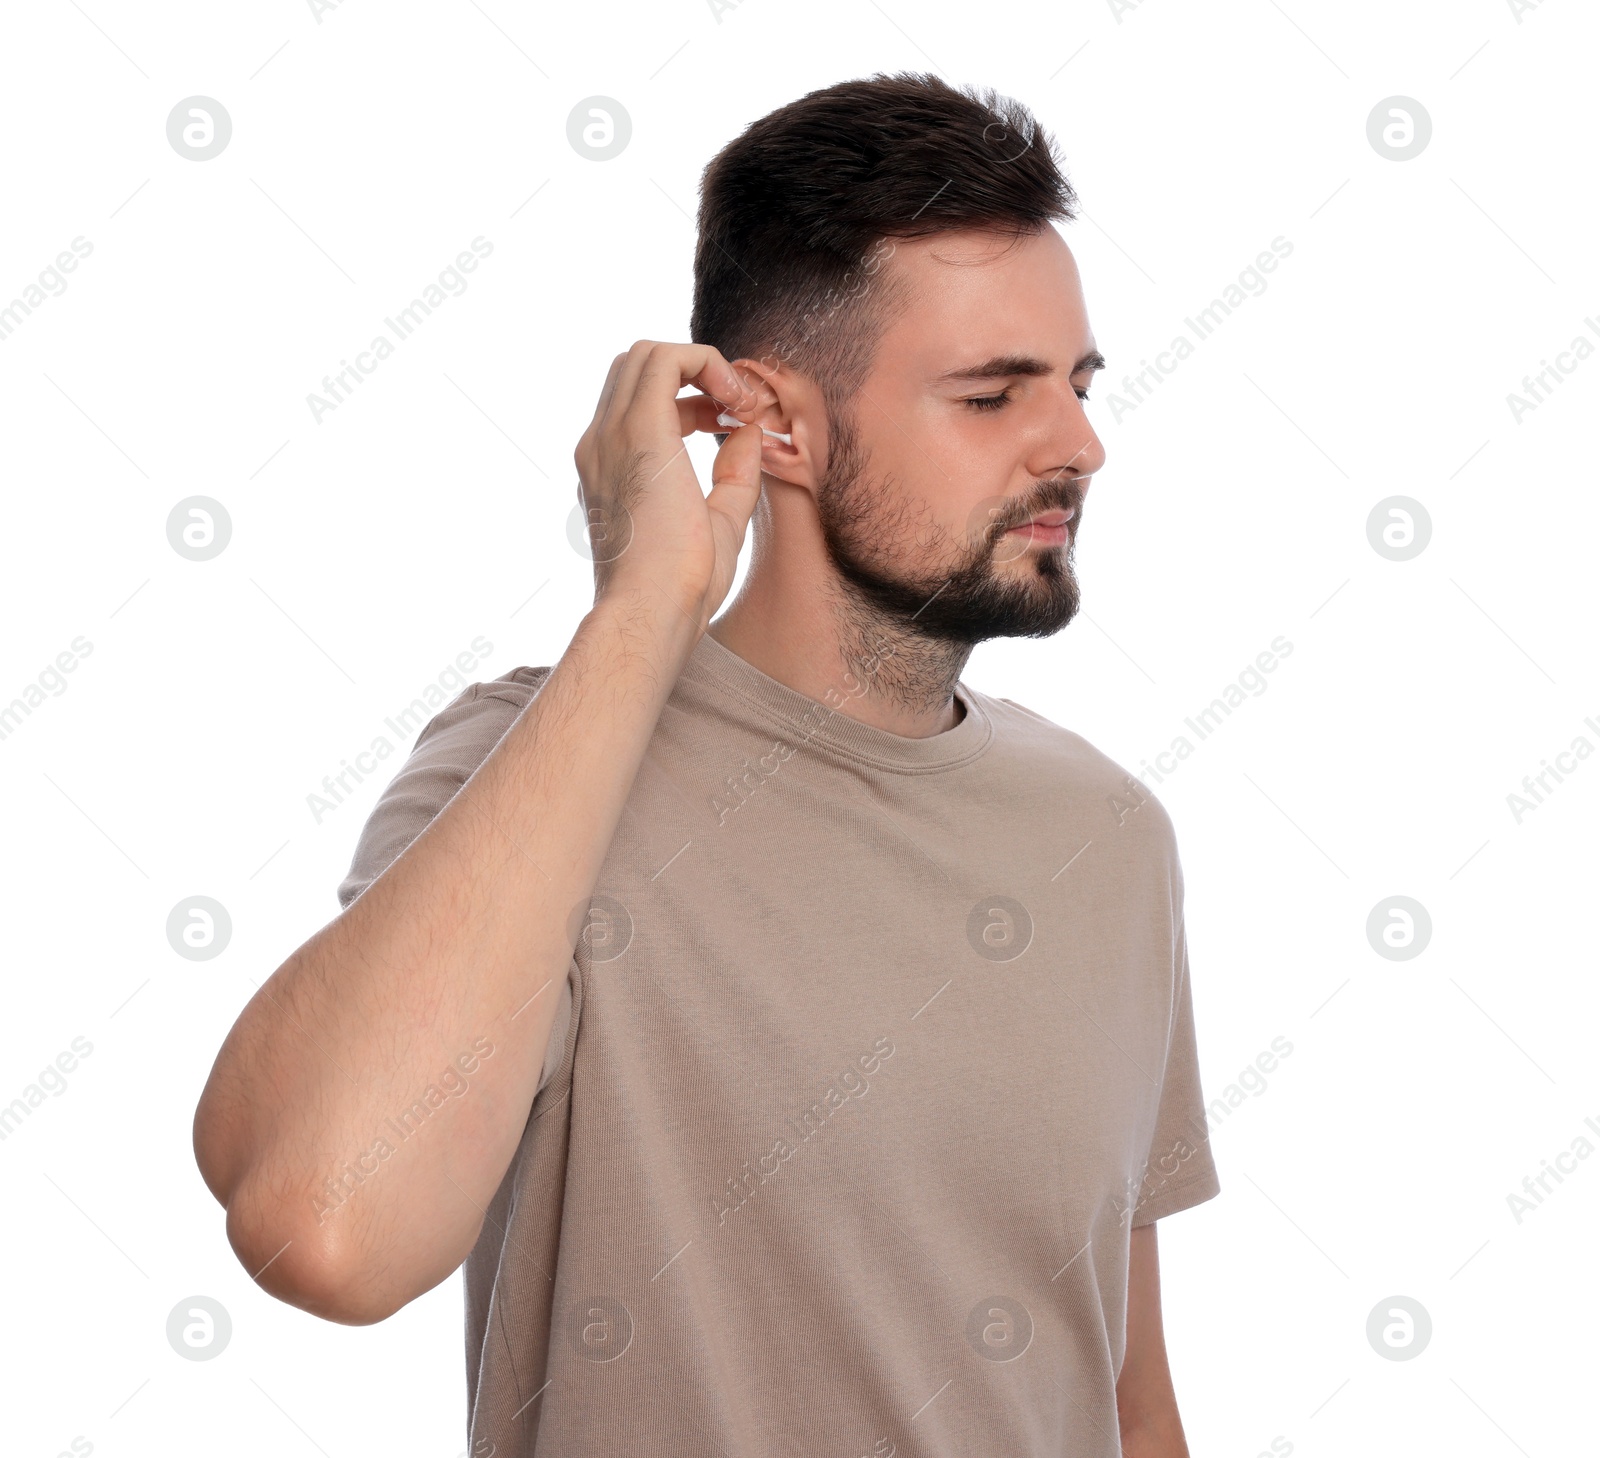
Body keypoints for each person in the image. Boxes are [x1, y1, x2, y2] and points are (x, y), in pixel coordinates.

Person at [193, 71, 1220, 1458]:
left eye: (1080, 386)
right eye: (994, 396)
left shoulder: (1110, 836)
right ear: (776, 427)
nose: (1081, 446)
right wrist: (638, 612)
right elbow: (324, 1223)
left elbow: (1125, 1396)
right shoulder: (538, 761)